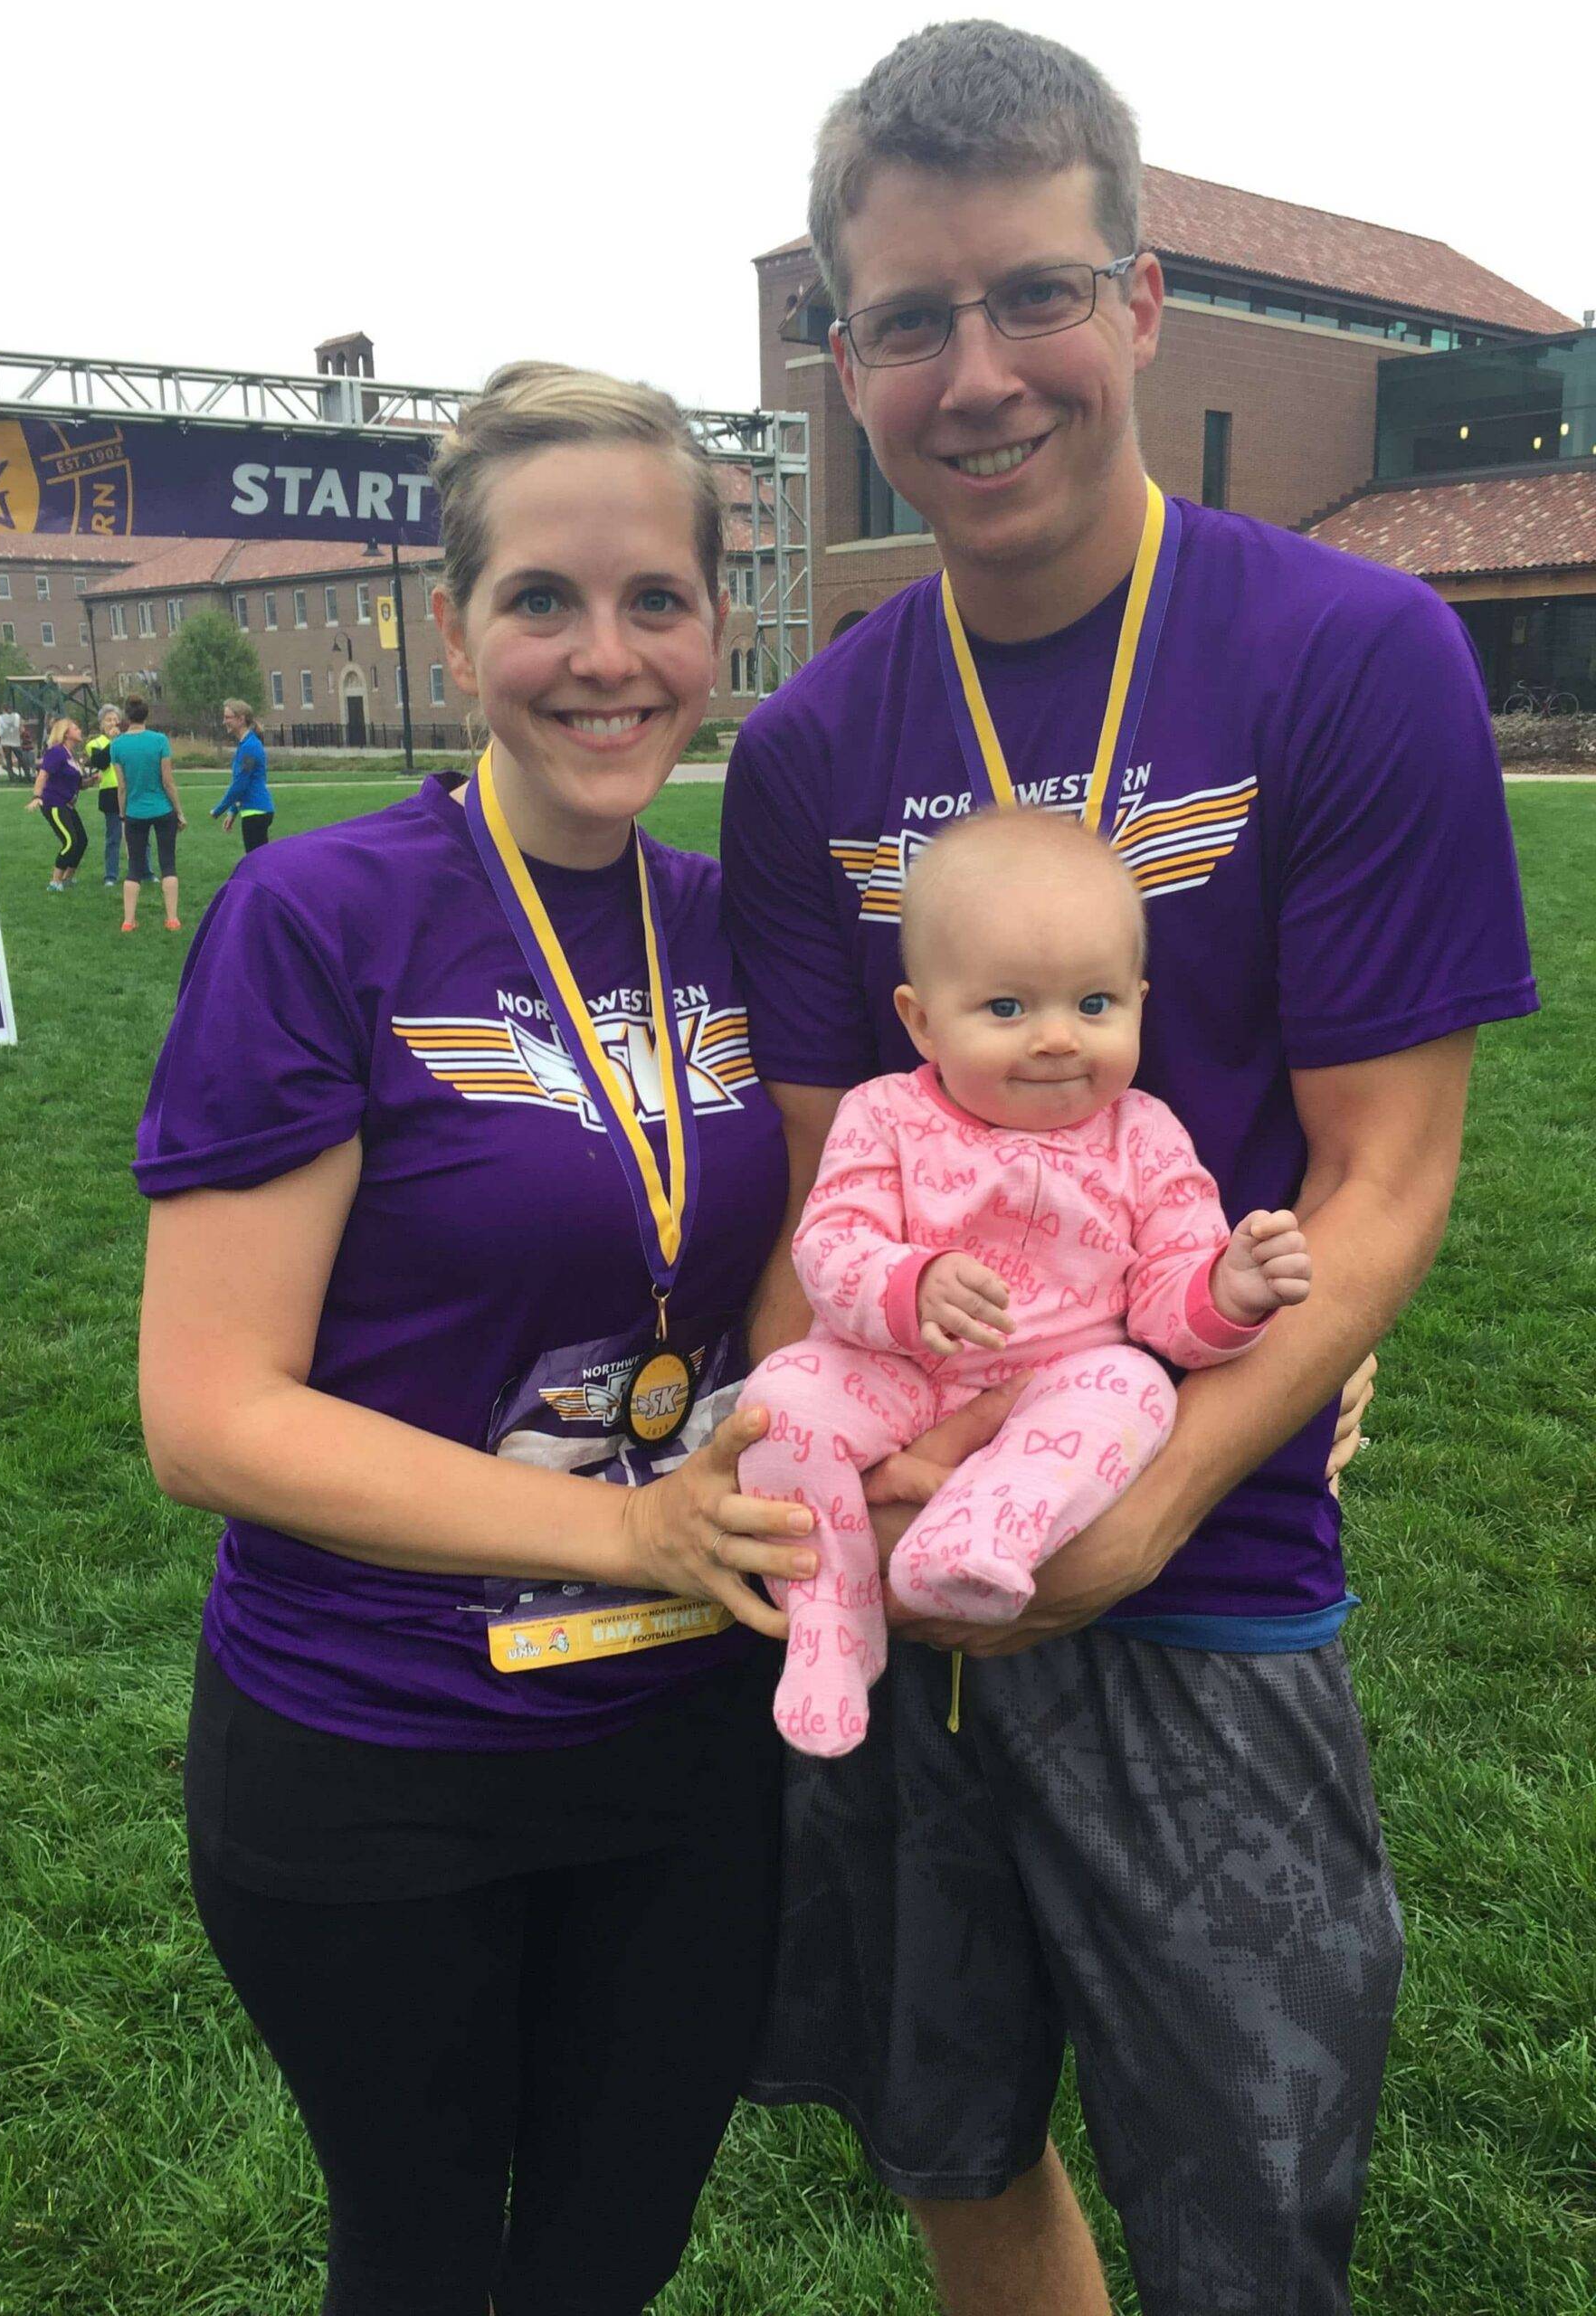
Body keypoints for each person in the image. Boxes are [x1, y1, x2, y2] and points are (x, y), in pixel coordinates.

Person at [722, 23, 1536, 2314]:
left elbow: (1382, 1172)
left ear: (1144, 300)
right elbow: (822, 1210)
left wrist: (1156, 1487)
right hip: (894, 1554)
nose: (975, 373)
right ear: (842, 353)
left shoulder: (1353, 656)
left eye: (1033, 297)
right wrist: (848, 1477)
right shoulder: (805, 757)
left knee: (1248, 2201)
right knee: (951, 2137)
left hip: (1210, 1556)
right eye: (905, 319)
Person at [135, 361, 819, 2316]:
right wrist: (633, 1531)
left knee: (608, 2263)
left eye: (654, 601)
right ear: (455, 629)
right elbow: (208, 1410)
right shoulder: (318, 917)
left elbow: (970, 1145)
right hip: (380, 1748)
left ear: (716, 619)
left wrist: (1217, 1325)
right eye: (542, 599)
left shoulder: (746, 928)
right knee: (428, 2262)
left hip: (688, 1742)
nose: (603, 657)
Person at [742, 810, 1311, 1757]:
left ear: (1139, 1000)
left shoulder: (1146, 1136)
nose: (1056, 1038)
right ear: (921, 1020)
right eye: (1007, 1009)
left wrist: (1231, 1290)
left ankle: (972, 1541)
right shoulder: (882, 1116)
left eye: (1094, 1005)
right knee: (776, 1403)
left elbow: (1167, 1305)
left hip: (1056, 1379)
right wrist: (907, 1282)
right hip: (895, 1362)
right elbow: (831, 1241)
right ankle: (833, 1613)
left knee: (1131, 1390)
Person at [111, 696, 186, 932]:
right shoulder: (159, 740)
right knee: (168, 864)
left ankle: (128, 920)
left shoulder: (117, 745)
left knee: (134, 866)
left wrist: (122, 815)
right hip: (163, 810)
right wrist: (179, 811)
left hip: (135, 813)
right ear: (146, 715)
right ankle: (172, 918)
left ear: (127, 717)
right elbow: (167, 781)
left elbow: (121, 786)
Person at [27, 716, 89, 889]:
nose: (79, 731)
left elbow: (78, 784)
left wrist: (92, 780)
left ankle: (68, 878)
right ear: (66, 733)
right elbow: (43, 774)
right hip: (54, 804)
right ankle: (55, 882)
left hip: (68, 805)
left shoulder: (71, 756)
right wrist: (36, 796)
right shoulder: (57, 752)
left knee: (82, 841)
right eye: (75, 728)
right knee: (70, 842)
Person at [213, 698, 276, 851]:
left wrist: (219, 809)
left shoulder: (250, 747)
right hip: (254, 811)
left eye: (228, 717)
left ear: (241, 719)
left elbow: (240, 784)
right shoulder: (246, 744)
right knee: (258, 859)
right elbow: (243, 783)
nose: (224, 721)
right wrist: (233, 811)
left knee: (256, 861)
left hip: (256, 812)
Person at [87, 705, 125, 885]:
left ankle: (145, 871)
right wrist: (112, 741)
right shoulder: (95, 744)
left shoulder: (126, 739)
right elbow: (101, 763)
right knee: (113, 836)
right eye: (108, 720)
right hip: (110, 793)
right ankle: (111, 875)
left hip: (129, 790)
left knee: (140, 835)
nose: (112, 723)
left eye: (114, 719)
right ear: (101, 724)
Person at [0, 703, 23, 783]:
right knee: (21, 759)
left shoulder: (0, 718)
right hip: (16, 741)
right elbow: (17, 727)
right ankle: (27, 776)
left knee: (8, 760)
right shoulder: (16, 716)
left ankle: (11, 778)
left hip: (5, 742)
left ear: (3, 710)